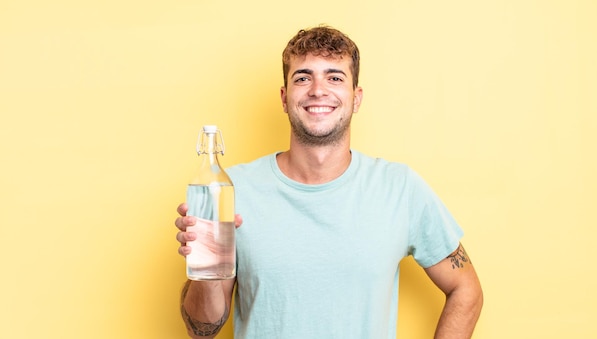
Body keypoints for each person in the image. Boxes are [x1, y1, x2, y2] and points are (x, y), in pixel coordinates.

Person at [175, 25, 483, 339]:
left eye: (334, 77)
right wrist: (206, 270)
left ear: (356, 97)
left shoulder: (399, 188)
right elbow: (202, 329)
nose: (318, 90)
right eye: (303, 77)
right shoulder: (229, 191)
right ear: (284, 97)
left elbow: (465, 289)